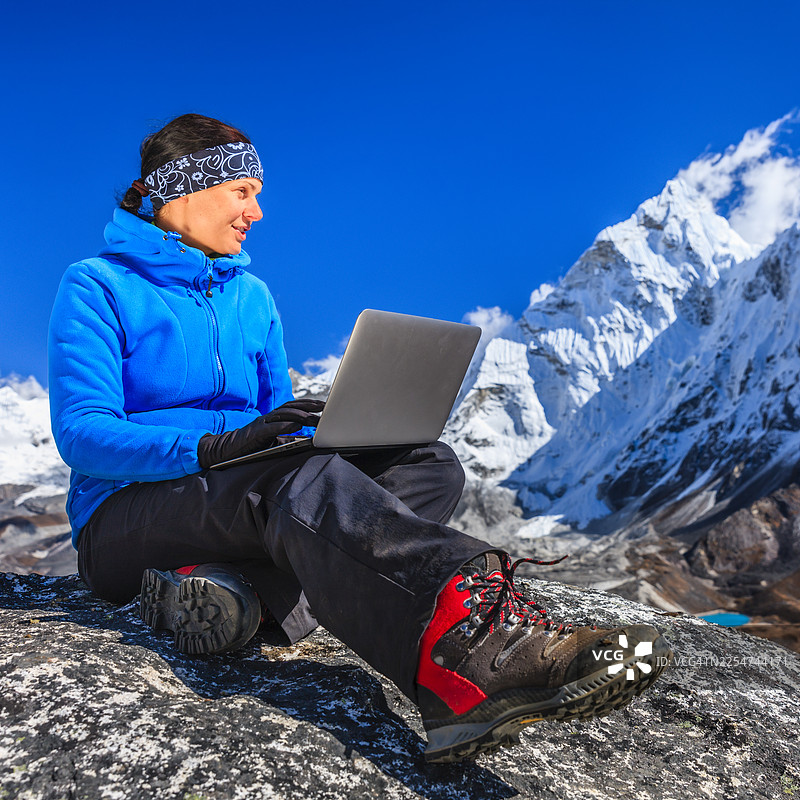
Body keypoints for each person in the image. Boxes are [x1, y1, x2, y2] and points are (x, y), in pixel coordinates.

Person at [48, 113, 672, 763]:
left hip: (230, 492)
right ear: (186, 192)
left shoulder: (252, 298)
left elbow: (272, 422)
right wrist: (210, 448)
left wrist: (312, 433)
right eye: (244, 192)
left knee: (429, 466)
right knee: (298, 485)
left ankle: (235, 600)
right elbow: (82, 433)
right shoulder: (96, 285)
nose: (257, 212)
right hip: (124, 515)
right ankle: (472, 655)